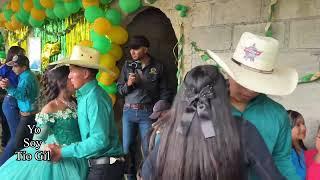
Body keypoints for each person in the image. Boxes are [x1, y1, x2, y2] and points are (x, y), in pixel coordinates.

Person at [142, 65, 285, 180]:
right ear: (223, 95)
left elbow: (147, 172)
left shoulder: (172, 129)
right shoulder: (243, 130)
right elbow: (271, 175)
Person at [207, 32, 300, 180]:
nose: (249, 90)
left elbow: (281, 159)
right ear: (229, 72)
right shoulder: (204, 107)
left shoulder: (277, 115)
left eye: (257, 84)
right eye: (243, 82)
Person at [48, 45, 124, 180]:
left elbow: (99, 140)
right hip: (98, 165)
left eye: (72, 71)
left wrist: (62, 152)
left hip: (104, 168)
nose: (69, 76)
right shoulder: (83, 96)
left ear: (85, 73)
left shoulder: (95, 98)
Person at [0, 65, 88, 179]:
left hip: (81, 152)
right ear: (62, 82)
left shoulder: (76, 100)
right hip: (62, 159)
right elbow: (37, 140)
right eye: (70, 77)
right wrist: (48, 150)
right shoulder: (50, 108)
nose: (74, 80)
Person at [117, 35, 172, 180]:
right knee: (127, 148)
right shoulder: (127, 65)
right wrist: (128, 84)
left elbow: (165, 91)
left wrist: (161, 111)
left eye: (136, 49)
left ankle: (147, 176)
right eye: (131, 49)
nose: (132, 52)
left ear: (146, 49)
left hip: (147, 112)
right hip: (128, 111)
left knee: (148, 147)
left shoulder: (158, 66)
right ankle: (130, 177)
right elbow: (119, 90)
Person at [0, 54, 39, 161]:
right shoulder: (27, 75)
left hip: (28, 116)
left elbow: (21, 95)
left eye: (15, 66)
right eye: (12, 66)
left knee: (18, 142)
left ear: (24, 67)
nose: (13, 69)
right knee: (24, 141)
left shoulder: (26, 78)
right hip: (29, 114)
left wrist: (9, 87)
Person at [0, 46, 25, 165]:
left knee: (16, 134)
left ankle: (12, 162)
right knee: (16, 136)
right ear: (14, 55)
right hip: (10, 100)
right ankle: (3, 163)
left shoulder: (21, 67)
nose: (23, 57)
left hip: (16, 101)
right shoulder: (5, 68)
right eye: (21, 54)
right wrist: (3, 83)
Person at [288, 110, 307, 180]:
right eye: (298, 125)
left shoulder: (302, 150)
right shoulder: (286, 155)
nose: (304, 128)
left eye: (303, 123)